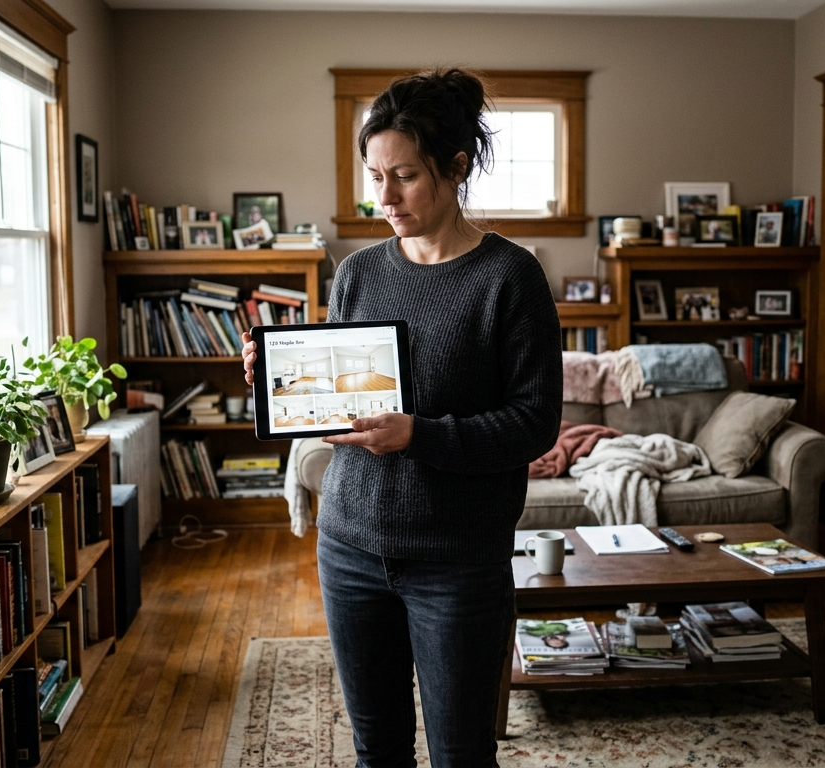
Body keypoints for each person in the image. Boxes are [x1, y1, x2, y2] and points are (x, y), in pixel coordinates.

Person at [242, 68, 560, 767]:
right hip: (349, 546)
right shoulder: (357, 273)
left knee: (460, 754)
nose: (383, 197)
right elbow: (336, 403)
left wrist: (422, 433)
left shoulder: (510, 277)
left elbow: (535, 424)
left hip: (457, 562)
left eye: (405, 176)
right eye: (373, 175)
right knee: (377, 751)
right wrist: (277, 381)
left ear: (456, 166)